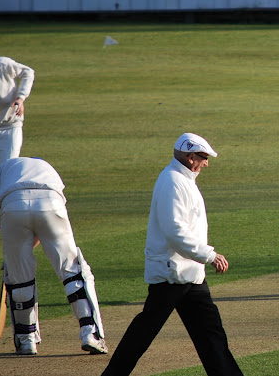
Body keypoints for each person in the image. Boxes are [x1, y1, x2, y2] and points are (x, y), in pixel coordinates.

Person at [102, 133, 242, 376]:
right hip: (172, 273)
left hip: (189, 273)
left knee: (211, 334)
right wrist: (209, 255)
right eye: (204, 157)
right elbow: (174, 231)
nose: (206, 163)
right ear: (190, 157)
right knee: (143, 333)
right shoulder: (173, 182)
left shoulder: (182, 179)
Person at [0, 157, 108, 355]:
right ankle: (90, 333)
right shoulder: (46, 167)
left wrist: (12, 252)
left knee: (20, 278)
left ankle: (26, 340)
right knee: (71, 270)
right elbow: (40, 217)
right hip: (50, 203)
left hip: (13, 206)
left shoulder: (4, 168)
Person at [0, 48, 35, 235]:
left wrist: (21, 98)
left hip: (10, 127)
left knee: (6, 173)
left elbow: (28, 72)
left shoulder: (2, 65)